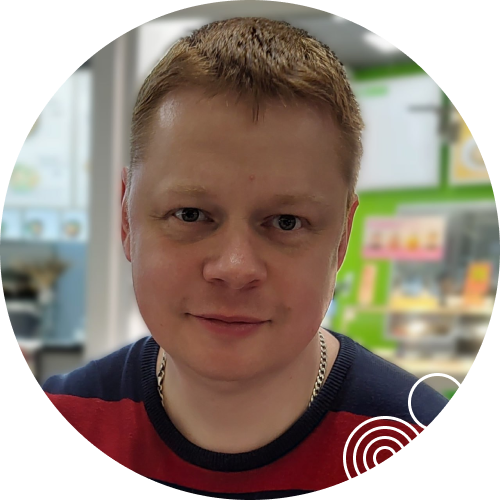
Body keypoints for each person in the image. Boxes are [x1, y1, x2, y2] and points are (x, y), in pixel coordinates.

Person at [42, 17, 449, 495]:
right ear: (127, 220)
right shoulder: (68, 413)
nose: (235, 268)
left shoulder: (418, 440)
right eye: (190, 214)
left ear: (342, 237)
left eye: (286, 222)